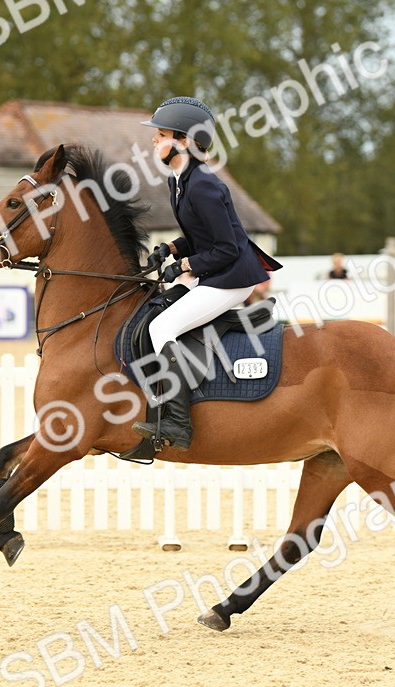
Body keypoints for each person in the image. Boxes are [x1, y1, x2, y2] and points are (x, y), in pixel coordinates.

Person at [134, 96, 283, 450]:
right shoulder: (180, 180)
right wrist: (170, 249)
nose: (154, 140)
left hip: (232, 279)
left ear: (184, 140)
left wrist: (183, 266)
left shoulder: (203, 185)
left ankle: (177, 422)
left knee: (162, 326)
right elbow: (201, 235)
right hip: (217, 273)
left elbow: (227, 248)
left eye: (162, 134)